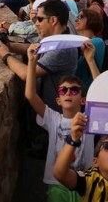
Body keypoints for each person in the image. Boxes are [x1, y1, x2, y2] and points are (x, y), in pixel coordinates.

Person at [25, 43, 94, 201]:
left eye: (74, 90)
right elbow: (30, 95)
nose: (68, 92)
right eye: (64, 90)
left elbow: (103, 98)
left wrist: (90, 60)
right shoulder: (53, 118)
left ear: (83, 100)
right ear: (58, 100)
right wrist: (31, 62)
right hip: (57, 184)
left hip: (84, 182)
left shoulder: (88, 120)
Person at [0, 0, 78, 112]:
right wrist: (9, 45)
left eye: (39, 19)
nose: (36, 23)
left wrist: (5, 55)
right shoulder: (55, 38)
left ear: (53, 20)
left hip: (52, 116)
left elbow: (26, 73)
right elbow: (33, 48)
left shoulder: (62, 47)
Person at [74, 8, 106, 88]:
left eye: (80, 16)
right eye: (76, 16)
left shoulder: (98, 41)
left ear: (91, 20)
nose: (76, 19)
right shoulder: (75, 40)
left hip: (89, 88)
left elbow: (83, 46)